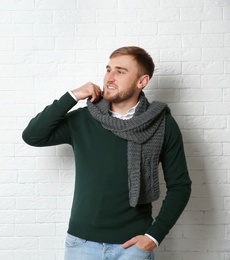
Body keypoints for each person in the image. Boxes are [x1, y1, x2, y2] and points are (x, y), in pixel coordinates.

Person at [22, 46, 191, 260]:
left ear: (142, 81)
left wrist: (153, 237)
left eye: (120, 72)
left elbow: (180, 186)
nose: (109, 78)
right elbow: (33, 136)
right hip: (81, 244)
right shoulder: (84, 119)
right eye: (108, 69)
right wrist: (72, 96)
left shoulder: (162, 124)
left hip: (132, 247)